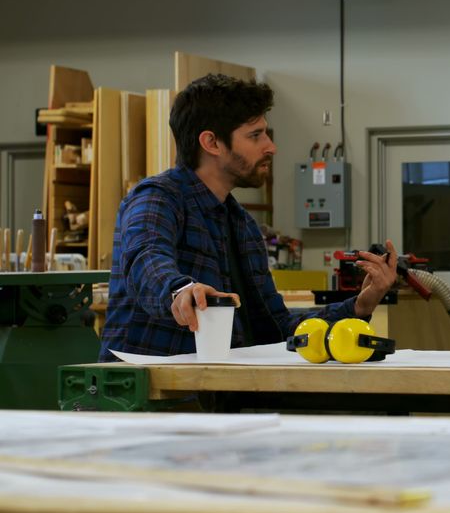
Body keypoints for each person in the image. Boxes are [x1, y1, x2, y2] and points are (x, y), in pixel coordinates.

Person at [100, 74, 397, 359]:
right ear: (212, 143)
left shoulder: (242, 225)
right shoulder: (157, 198)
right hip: (146, 398)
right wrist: (181, 290)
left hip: (216, 396)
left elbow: (276, 328)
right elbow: (145, 258)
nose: (271, 146)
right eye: (255, 135)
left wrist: (360, 305)